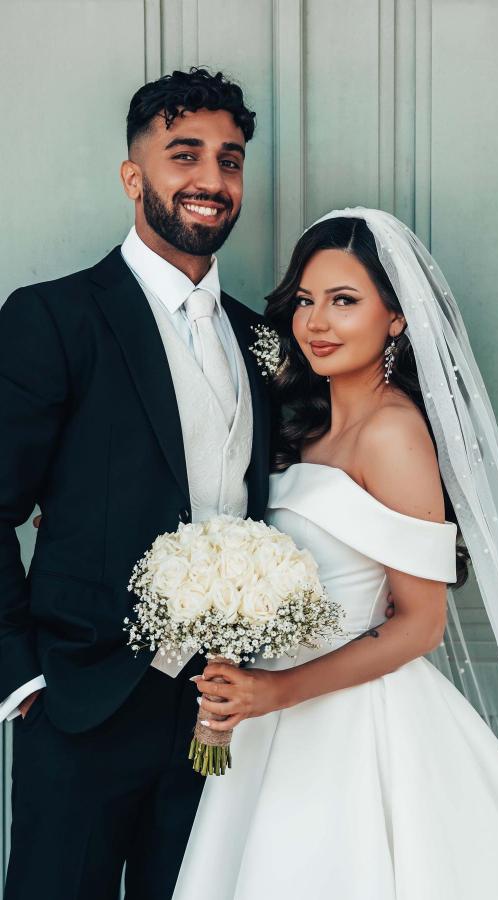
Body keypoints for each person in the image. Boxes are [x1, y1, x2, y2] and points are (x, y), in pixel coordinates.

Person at [172, 210, 498, 899]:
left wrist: (278, 691)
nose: (316, 322)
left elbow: (421, 624)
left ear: (396, 318)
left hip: (353, 720)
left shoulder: (393, 433)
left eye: (344, 301)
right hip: (269, 719)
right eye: (305, 300)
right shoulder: (302, 429)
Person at [0, 68, 270, 899]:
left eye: (229, 160)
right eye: (184, 155)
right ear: (132, 176)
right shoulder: (54, 318)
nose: (211, 179)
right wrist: (26, 683)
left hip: (221, 718)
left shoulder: (262, 338)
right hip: (82, 706)